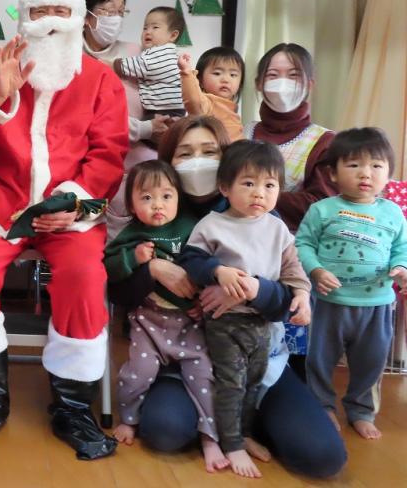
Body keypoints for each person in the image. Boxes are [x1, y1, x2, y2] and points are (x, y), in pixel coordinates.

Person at [0, 0, 127, 460]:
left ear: (78, 17)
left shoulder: (102, 81)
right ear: (24, 18)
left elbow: (109, 155)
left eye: (60, 12)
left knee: (85, 277)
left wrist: (76, 204)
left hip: (70, 213)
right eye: (39, 11)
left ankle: (73, 409)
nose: (50, 22)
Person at [108, 115, 347, 479]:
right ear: (168, 162)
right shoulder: (155, 214)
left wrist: (252, 290)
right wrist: (153, 269)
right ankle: (224, 423)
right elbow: (118, 289)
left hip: (255, 356)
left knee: (322, 456)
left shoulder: (259, 213)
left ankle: (245, 420)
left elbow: (289, 291)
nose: (198, 162)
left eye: (209, 151)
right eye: (185, 154)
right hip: (184, 356)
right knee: (165, 430)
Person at [179, 140, 311, 478]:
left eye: (269, 185)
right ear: (225, 187)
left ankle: (245, 432)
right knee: (231, 383)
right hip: (225, 322)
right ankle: (232, 443)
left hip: (263, 324)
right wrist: (218, 271)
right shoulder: (212, 224)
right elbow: (191, 259)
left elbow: (293, 269)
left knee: (254, 381)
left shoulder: (277, 228)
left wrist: (302, 294)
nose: (259, 194)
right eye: (248, 183)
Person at [104, 160, 228, 473]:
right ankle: (129, 419)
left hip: (189, 323)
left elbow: (209, 264)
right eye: (146, 198)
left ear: (179, 197)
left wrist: (202, 301)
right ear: (131, 204)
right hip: (149, 321)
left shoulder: (193, 226)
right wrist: (134, 258)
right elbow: (109, 267)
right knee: (138, 371)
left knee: (204, 374)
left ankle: (210, 436)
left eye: (166, 196)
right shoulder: (132, 234)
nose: (157, 205)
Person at [296, 127, 407, 440]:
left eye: (376, 165)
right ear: (333, 173)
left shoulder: (393, 213)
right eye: (354, 164)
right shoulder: (322, 209)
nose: (365, 173)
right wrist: (316, 270)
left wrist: (401, 267)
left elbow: (402, 248)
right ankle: (322, 405)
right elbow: (302, 244)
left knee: (372, 362)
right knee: (320, 359)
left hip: (377, 305)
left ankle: (361, 410)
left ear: (388, 173)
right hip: (328, 303)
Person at [245, 43, 337, 367]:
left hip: (293, 263)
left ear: (309, 83)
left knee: (291, 360)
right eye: (273, 75)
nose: (282, 83)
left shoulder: (324, 141)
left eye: (293, 75)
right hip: (240, 258)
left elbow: (321, 206)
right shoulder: (242, 133)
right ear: (258, 83)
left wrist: (256, 195)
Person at [78, 0, 165, 241]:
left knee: (138, 235)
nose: (115, 18)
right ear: (86, 15)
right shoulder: (71, 57)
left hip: (137, 159)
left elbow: (163, 98)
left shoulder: (136, 53)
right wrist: (144, 128)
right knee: (89, 236)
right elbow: (85, 122)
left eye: (120, 12)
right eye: (107, 11)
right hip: (86, 163)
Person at [114, 6, 186, 121]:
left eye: (155, 27)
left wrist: (113, 64)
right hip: (168, 109)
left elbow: (140, 65)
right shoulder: (169, 53)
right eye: (145, 28)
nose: (148, 32)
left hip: (166, 111)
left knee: (150, 129)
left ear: (173, 35)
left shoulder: (162, 54)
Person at [179, 47, 244, 142]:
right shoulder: (207, 102)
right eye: (217, 73)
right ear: (200, 80)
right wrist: (187, 72)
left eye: (233, 75)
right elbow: (193, 100)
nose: (226, 79)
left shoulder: (231, 107)